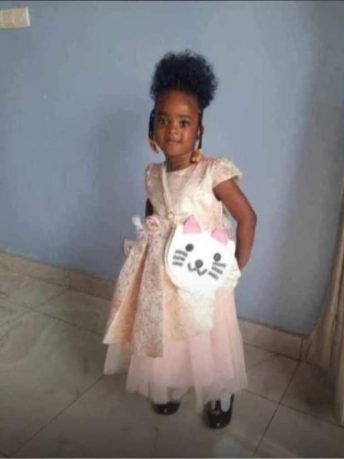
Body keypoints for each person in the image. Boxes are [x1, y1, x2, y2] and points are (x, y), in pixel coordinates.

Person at [102, 49, 257, 429]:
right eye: (164, 120)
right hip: (166, 276)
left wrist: (235, 267)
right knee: (172, 335)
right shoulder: (153, 175)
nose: (173, 129)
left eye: (184, 122)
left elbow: (247, 218)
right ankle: (171, 383)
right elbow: (153, 213)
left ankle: (220, 391)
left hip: (204, 278)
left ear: (198, 129)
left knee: (207, 338)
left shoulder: (213, 172)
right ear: (152, 126)